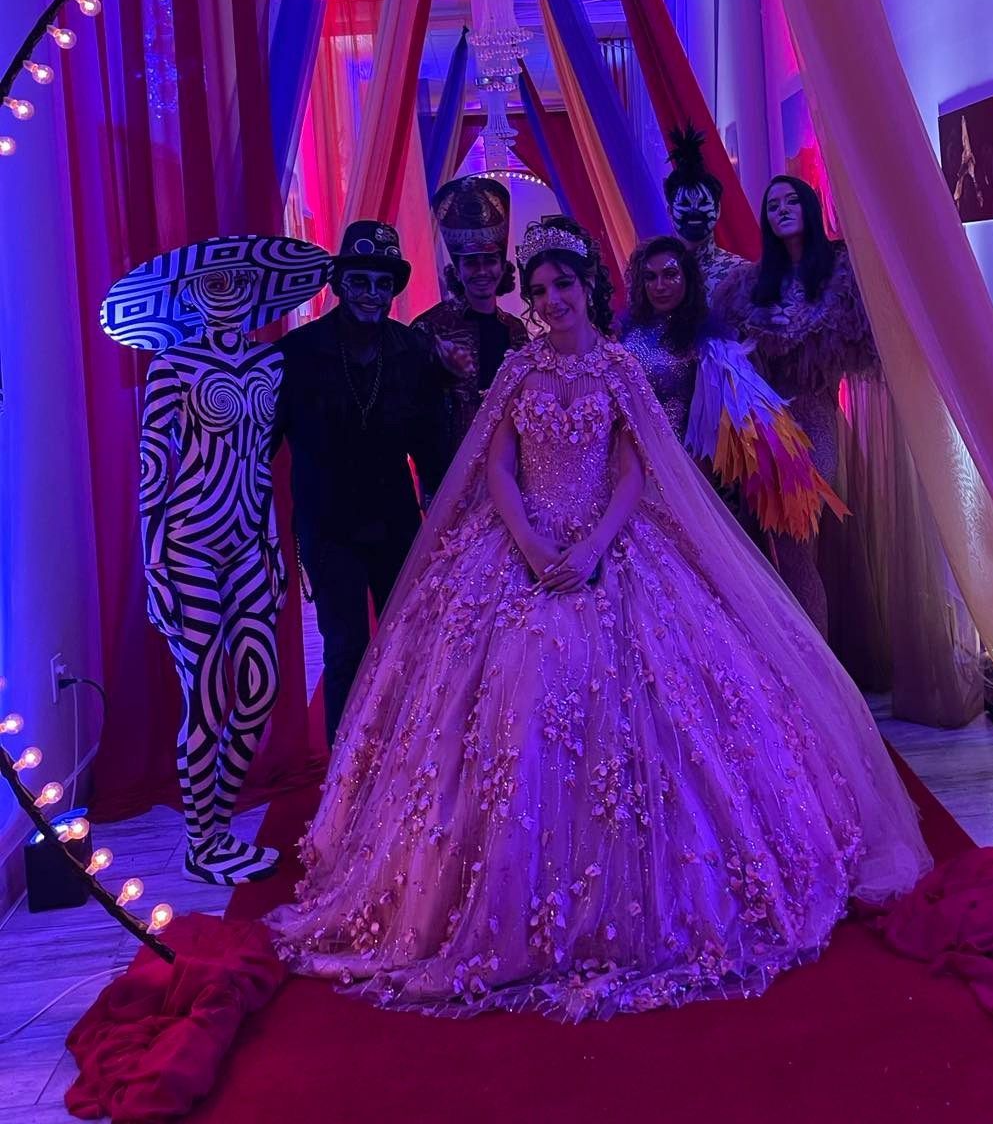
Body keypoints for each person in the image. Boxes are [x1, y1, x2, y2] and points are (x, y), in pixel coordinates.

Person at [267, 215, 928, 1020]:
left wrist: (589, 551)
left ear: (587, 287)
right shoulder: (517, 371)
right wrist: (532, 541)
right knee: (506, 699)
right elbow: (497, 470)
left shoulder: (619, 369)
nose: (551, 301)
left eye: (563, 286)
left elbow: (632, 476)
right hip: (519, 548)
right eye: (538, 290)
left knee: (663, 706)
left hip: (611, 547)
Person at [100, 234, 331, 885]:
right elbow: (152, 467)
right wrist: (153, 568)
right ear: (192, 293)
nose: (225, 291)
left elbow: (265, 461)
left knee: (258, 689)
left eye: (237, 281)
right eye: (212, 282)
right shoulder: (173, 366)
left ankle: (214, 821)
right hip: (190, 543)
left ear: (256, 289)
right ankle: (205, 842)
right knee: (205, 692)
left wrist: (277, 551)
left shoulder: (271, 367)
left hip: (251, 540)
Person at [275, 221, 453, 745]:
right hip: (327, 524)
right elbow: (267, 441)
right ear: (340, 283)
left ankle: (404, 755)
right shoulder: (298, 353)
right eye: (360, 282)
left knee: (407, 638)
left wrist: (442, 512)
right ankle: (346, 769)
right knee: (346, 644)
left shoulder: (412, 350)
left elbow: (431, 442)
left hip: (395, 519)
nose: (372, 294)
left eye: (382, 283)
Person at [715, 177, 879, 634]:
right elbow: (726, 350)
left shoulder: (840, 277)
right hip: (758, 423)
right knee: (758, 538)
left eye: (791, 201)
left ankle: (816, 672)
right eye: (772, 205)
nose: (781, 210)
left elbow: (858, 346)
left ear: (809, 207)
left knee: (797, 546)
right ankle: (776, 660)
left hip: (813, 421)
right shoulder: (749, 285)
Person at [620, 235, 845, 543]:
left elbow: (734, 412)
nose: (660, 285)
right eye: (650, 277)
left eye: (670, 274)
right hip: (631, 464)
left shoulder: (709, 340)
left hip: (689, 469)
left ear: (687, 278)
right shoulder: (627, 332)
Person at [411, 176, 527, 496]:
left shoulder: (515, 330)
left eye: (489, 260)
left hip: (509, 472)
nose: (481, 271)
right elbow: (412, 408)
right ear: (457, 269)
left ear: (503, 267)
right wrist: (440, 376)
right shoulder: (429, 328)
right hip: (449, 475)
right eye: (471, 262)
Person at [663, 122, 747, 299]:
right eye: (685, 203)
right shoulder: (657, 272)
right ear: (670, 211)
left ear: (718, 209)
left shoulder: (740, 274)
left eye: (702, 203)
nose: (694, 211)